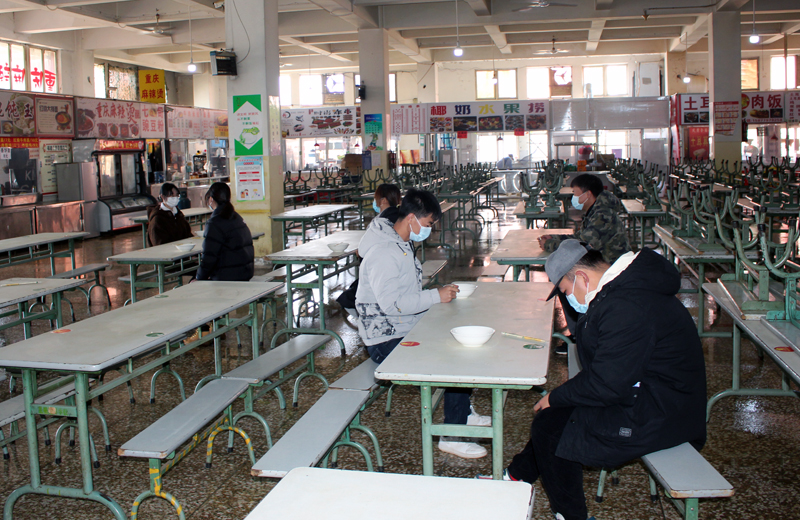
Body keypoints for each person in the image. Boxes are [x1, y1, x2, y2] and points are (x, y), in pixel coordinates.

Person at [499, 240, 707, 520]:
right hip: (650, 395)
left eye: (565, 292)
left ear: (582, 278)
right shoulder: (626, 291)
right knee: (554, 417)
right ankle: (517, 476)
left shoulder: (626, 305)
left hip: (663, 414)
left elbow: (606, 384)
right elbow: (610, 374)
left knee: (551, 429)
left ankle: (571, 515)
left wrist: (556, 396)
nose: (568, 300)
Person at [356, 188, 491, 459]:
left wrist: (436, 296)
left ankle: (462, 412)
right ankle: (452, 435)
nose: (430, 230)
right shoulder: (384, 252)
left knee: (458, 337)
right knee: (453, 357)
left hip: (402, 326)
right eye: (428, 224)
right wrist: (434, 296)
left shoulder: (401, 242)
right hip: (384, 339)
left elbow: (406, 293)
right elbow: (392, 304)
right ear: (411, 218)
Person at [539, 173, 631, 352]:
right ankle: (579, 332)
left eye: (575, 193)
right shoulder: (596, 209)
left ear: (587, 194)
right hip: (602, 261)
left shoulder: (602, 214)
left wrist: (550, 244)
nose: (573, 197)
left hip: (611, 267)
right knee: (566, 283)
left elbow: (585, 245)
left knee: (567, 282)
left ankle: (579, 336)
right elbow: (581, 237)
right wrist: (556, 238)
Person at [195, 182, 254, 282]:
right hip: (245, 272)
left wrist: (199, 278)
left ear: (211, 199)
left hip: (228, 276)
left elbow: (209, 257)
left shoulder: (215, 222)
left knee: (192, 284)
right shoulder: (236, 217)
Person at [146, 182, 193, 246]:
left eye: (177, 195)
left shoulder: (178, 214)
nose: (175, 198)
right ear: (163, 197)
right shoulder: (157, 219)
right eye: (172, 195)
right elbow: (159, 244)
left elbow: (188, 234)